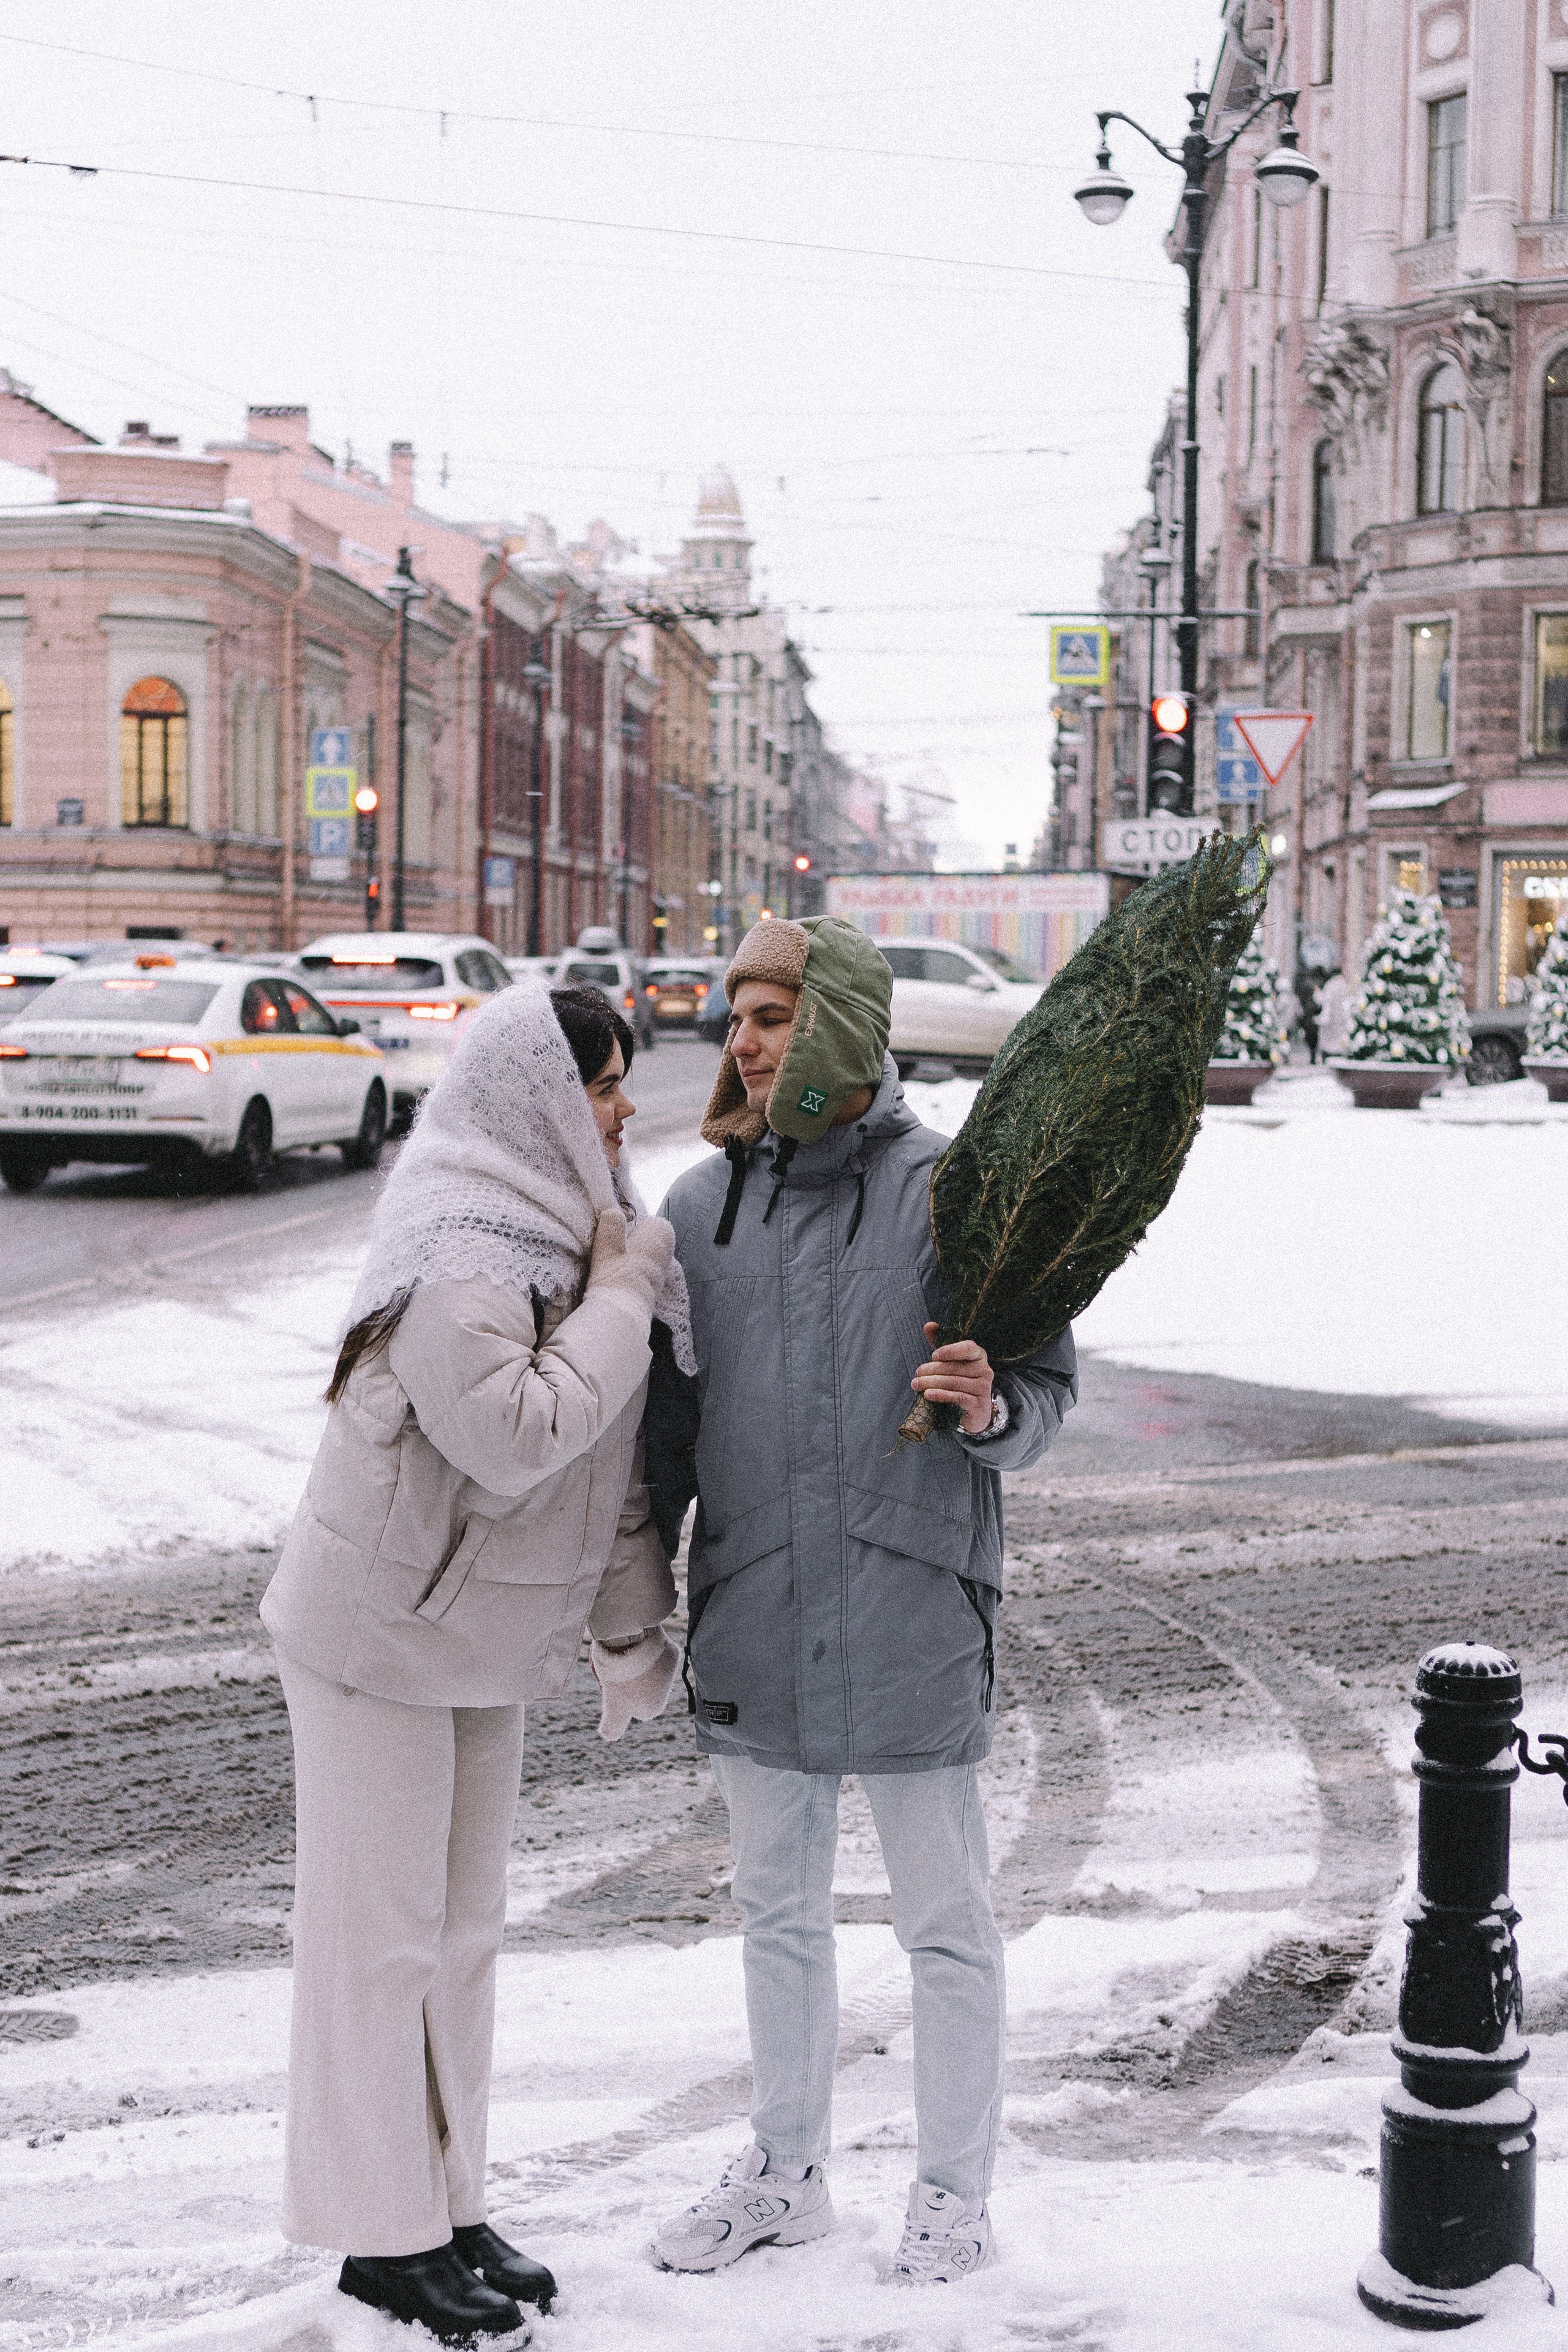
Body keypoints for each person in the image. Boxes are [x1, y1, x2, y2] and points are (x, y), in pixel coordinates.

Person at [644, 916, 1077, 2288]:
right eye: (735, 1019)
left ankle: (952, 2195)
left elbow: (1045, 1387)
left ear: (836, 1020)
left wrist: (992, 1405)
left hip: (910, 1604)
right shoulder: (697, 1209)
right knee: (775, 1913)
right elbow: (664, 1440)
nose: (742, 1043)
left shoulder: (955, 1193)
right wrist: (629, 1600)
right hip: (753, 1604)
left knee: (943, 1922)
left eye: (770, 1016)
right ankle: (785, 2174)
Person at [261, 983, 692, 2347]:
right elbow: (519, 1435)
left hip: (476, 1639)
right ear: (536, 1099)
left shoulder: (578, 1229)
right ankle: (377, 2236)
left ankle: (446, 2207)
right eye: (601, 1086)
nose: (621, 1110)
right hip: (372, 1638)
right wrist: (624, 1293)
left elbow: (611, 1465)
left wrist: (630, 1628)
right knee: (377, 1944)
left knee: (461, 1938)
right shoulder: (460, 1243)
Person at [1317, 964, 1354, 1059]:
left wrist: (1317, 994)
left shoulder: (1330, 985)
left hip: (1330, 1022)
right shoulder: (1344, 985)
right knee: (1339, 1042)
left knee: (1329, 1044)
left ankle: (1329, 1058)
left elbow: (1325, 1001)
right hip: (1341, 1021)